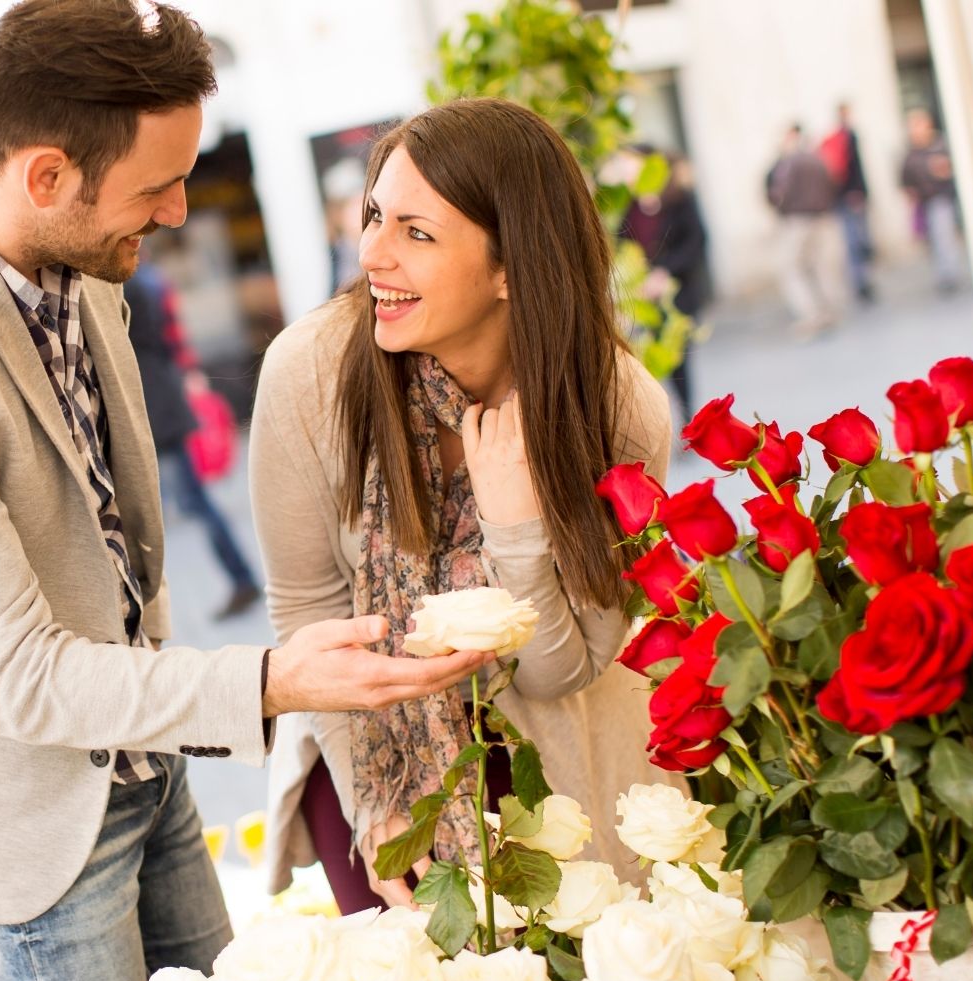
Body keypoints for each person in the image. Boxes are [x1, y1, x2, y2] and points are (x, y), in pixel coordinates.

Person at [0, 0, 489, 981]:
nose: (174, 212)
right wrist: (265, 683)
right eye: (154, 187)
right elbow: (12, 674)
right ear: (44, 176)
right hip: (25, 825)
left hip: (140, 761)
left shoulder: (77, 256)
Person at [248, 98, 680, 915]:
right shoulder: (309, 372)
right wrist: (375, 810)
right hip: (367, 757)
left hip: (543, 761)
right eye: (374, 216)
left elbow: (563, 670)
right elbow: (307, 604)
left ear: (511, 265)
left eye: (416, 232)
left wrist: (518, 524)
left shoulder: (617, 409)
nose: (371, 252)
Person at [124, 262, 264, 619]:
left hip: (158, 410)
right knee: (192, 503)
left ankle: (242, 578)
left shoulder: (130, 286)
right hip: (161, 403)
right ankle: (242, 578)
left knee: (194, 503)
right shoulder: (146, 280)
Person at [621, 149, 710, 415]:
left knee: (677, 359)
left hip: (677, 294)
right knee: (647, 363)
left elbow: (696, 241)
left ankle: (686, 416)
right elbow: (623, 244)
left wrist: (664, 271)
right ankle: (662, 420)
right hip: (642, 297)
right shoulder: (630, 204)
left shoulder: (679, 199)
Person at [765, 124, 848, 338]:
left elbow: (779, 193)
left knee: (792, 268)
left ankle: (810, 314)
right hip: (821, 216)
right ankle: (828, 310)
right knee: (820, 266)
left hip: (798, 219)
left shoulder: (789, 163)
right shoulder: (819, 159)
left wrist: (781, 209)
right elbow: (833, 183)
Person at [899, 109, 964, 293]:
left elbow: (950, 170)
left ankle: (949, 274)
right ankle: (942, 273)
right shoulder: (911, 152)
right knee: (932, 240)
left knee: (944, 237)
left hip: (940, 198)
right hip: (923, 202)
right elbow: (905, 177)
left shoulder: (939, 145)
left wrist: (942, 170)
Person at [820, 103, 876, 302]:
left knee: (854, 240)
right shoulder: (848, 137)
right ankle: (861, 282)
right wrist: (858, 192)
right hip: (851, 196)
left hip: (841, 197)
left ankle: (860, 281)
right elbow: (855, 170)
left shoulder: (836, 138)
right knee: (858, 241)